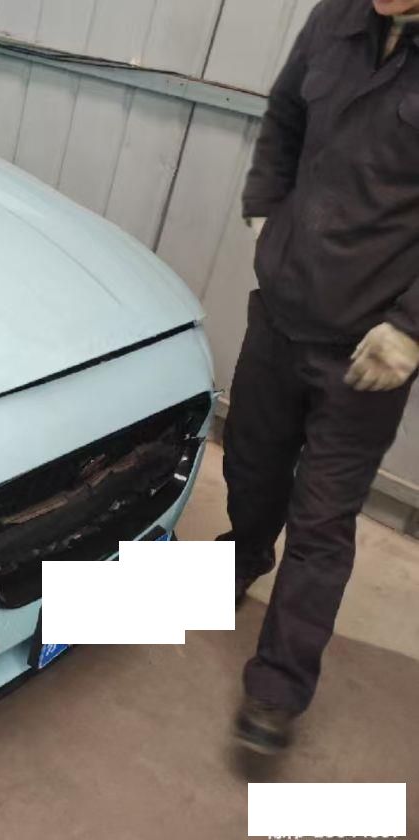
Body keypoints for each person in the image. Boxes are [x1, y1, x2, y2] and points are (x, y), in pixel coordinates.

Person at [223, 0, 419, 754]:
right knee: (250, 464)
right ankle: (236, 562)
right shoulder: (337, 15)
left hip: (366, 346)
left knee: (321, 520)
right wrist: (263, 208)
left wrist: (410, 326)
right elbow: (283, 114)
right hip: (282, 307)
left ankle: (276, 688)